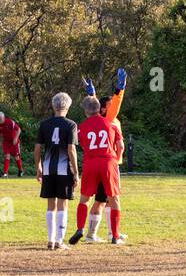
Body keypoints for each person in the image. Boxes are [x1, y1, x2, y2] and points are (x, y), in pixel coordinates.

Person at [78, 69, 127, 242]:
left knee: (102, 200)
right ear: (106, 108)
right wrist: (119, 90)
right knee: (108, 199)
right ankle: (108, 233)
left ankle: (95, 233)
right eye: (110, 103)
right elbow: (113, 104)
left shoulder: (100, 119)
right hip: (108, 163)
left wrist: (91, 93)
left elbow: (93, 107)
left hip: (97, 162)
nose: (112, 104)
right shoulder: (110, 118)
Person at [36, 92, 78, 250]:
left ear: (54, 106)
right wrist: (76, 172)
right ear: (68, 106)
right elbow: (71, 149)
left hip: (48, 168)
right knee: (63, 204)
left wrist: (38, 167)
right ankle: (60, 241)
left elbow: (38, 148)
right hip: (63, 169)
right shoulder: (71, 125)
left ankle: (50, 240)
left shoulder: (44, 124)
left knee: (50, 205)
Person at [0, 112, 24, 177]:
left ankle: (20, 170)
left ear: (3, 117)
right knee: (7, 156)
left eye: (0, 119)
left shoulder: (10, 122)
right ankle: (5, 173)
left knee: (16, 157)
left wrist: (15, 139)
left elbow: (19, 130)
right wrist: (0, 141)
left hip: (14, 142)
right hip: (6, 142)